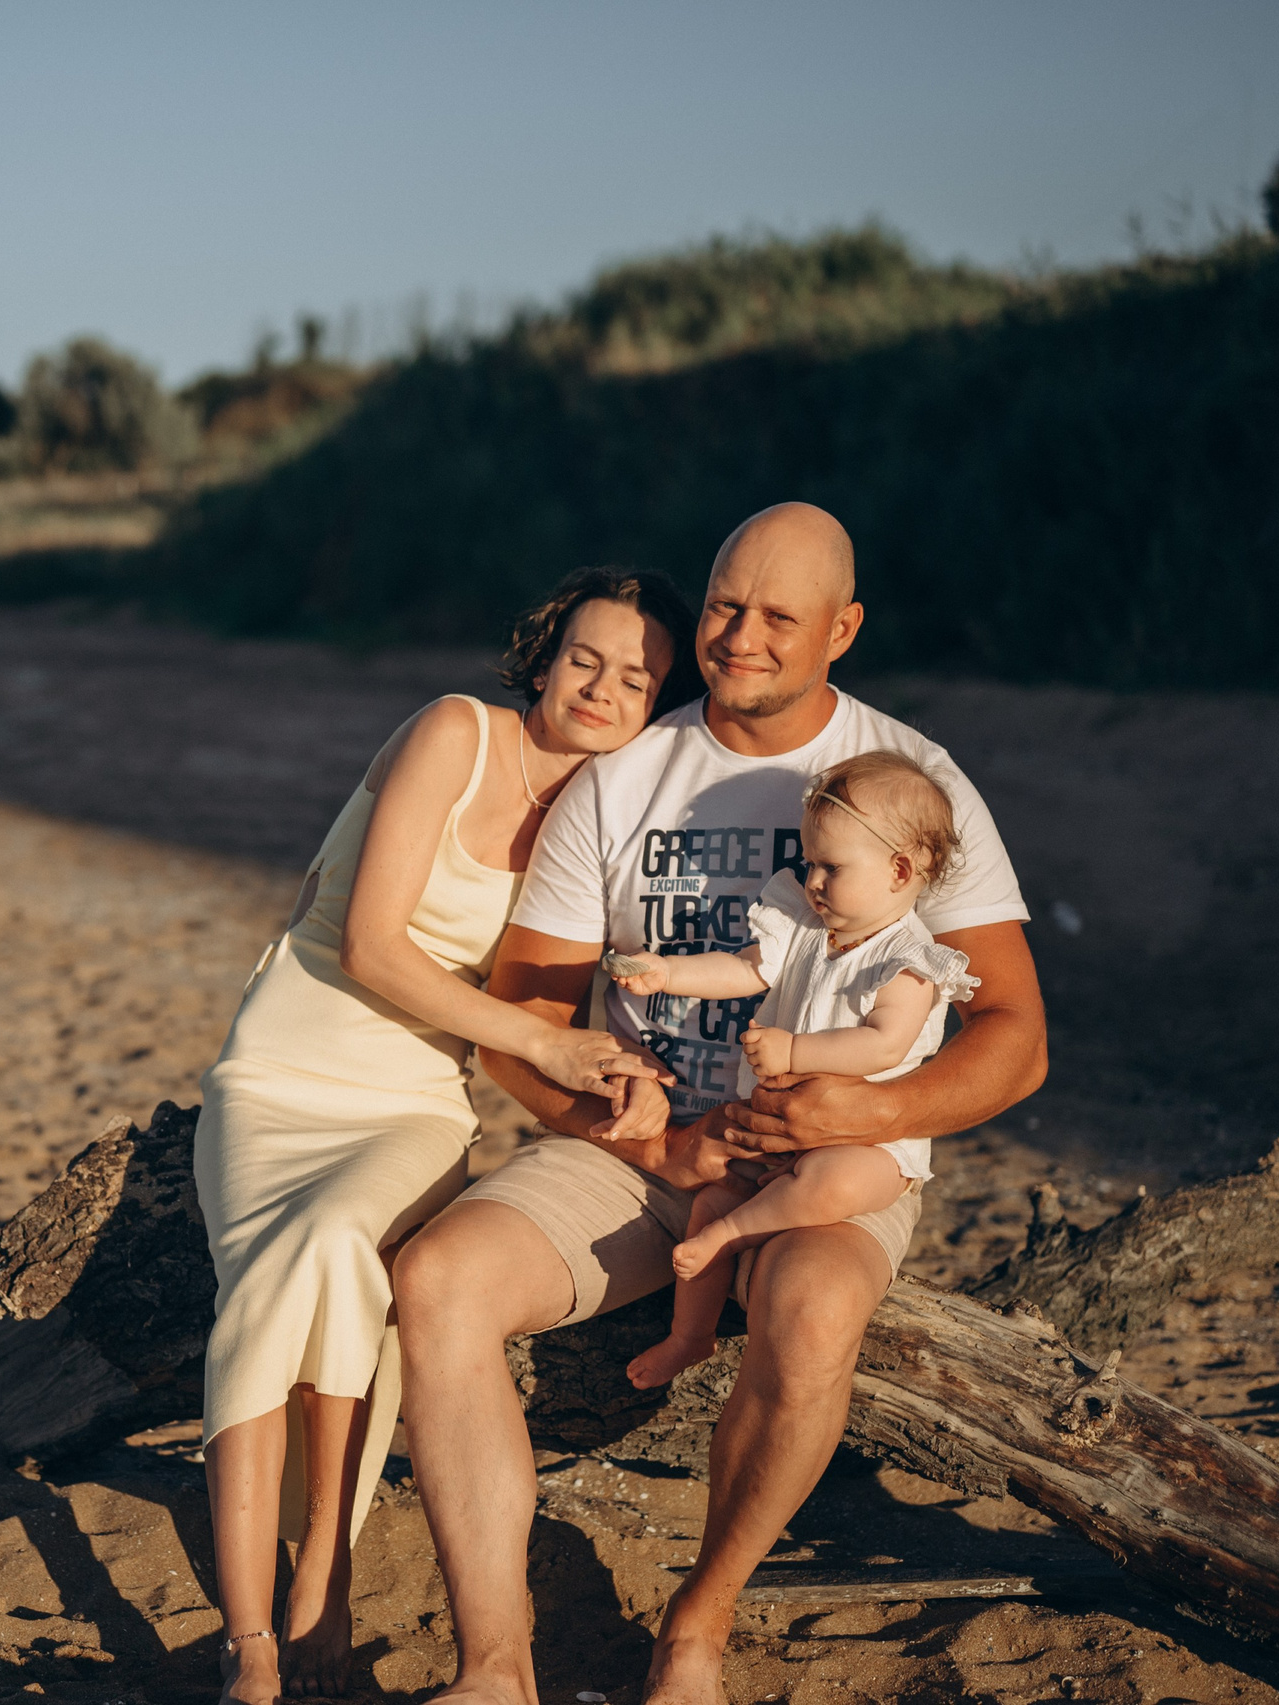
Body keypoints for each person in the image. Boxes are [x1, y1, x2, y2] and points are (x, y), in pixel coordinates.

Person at [392, 502, 1048, 1705]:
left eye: (778, 616)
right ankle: (492, 1669)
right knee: (436, 1278)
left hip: (822, 1160)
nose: (737, 637)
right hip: (637, 1149)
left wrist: (851, 1115)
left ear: (842, 628)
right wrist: (625, 1121)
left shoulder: (911, 782)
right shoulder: (625, 774)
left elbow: (1014, 1039)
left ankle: (697, 1622)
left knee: (804, 1316)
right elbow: (520, 1021)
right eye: (723, 605)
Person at [198, 567, 697, 1704]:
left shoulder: (606, 816)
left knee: (337, 1245)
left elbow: (554, 1008)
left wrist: (621, 1073)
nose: (603, 688)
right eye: (586, 658)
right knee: (288, 1269)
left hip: (418, 1099)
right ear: (542, 654)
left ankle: (318, 1572)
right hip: (281, 1072)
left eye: (636, 677)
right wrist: (555, 1048)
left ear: (658, 702)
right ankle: (252, 1647)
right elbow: (373, 947)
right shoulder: (452, 734)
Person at [609, 750, 981, 1391]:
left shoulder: (911, 961)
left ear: (899, 869)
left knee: (833, 1181)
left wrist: (794, 1054)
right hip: (774, 1129)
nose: (811, 880)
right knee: (711, 1195)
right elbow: (746, 969)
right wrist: (669, 973)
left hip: (864, 1141)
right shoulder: (805, 925)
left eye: (830, 867)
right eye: (810, 863)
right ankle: (688, 1336)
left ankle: (735, 1231)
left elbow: (884, 1046)